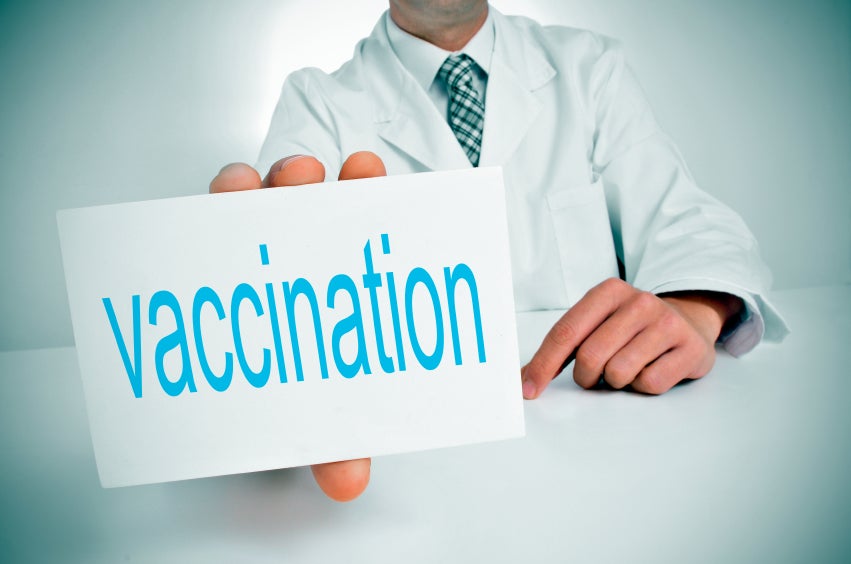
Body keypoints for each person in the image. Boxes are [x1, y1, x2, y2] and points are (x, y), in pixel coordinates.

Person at [209, 0, 788, 502]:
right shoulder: (317, 102)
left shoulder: (589, 69)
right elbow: (275, 281)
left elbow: (689, 221)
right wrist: (267, 321)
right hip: (416, 475)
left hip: (605, 457)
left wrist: (695, 305)